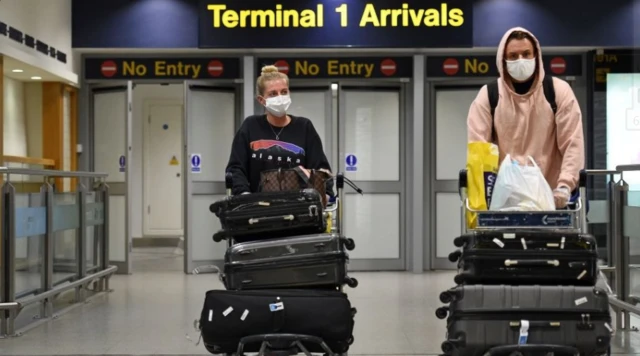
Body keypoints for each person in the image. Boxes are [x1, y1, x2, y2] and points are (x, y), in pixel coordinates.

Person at [467, 27, 585, 209]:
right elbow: (478, 149)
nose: (520, 60)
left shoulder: (558, 91)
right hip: (505, 200)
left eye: (526, 54)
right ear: (503, 60)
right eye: (513, 56)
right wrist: (483, 196)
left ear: (536, 56)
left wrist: (564, 186)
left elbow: (573, 144)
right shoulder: (489, 95)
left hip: (552, 198)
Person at [226, 65, 335, 198]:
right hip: (258, 208)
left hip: (298, 209)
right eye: (273, 94)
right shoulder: (250, 126)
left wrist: (325, 193)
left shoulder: (304, 127)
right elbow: (236, 168)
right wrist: (244, 194)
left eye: (284, 92)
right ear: (261, 100)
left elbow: (320, 168)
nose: (280, 97)